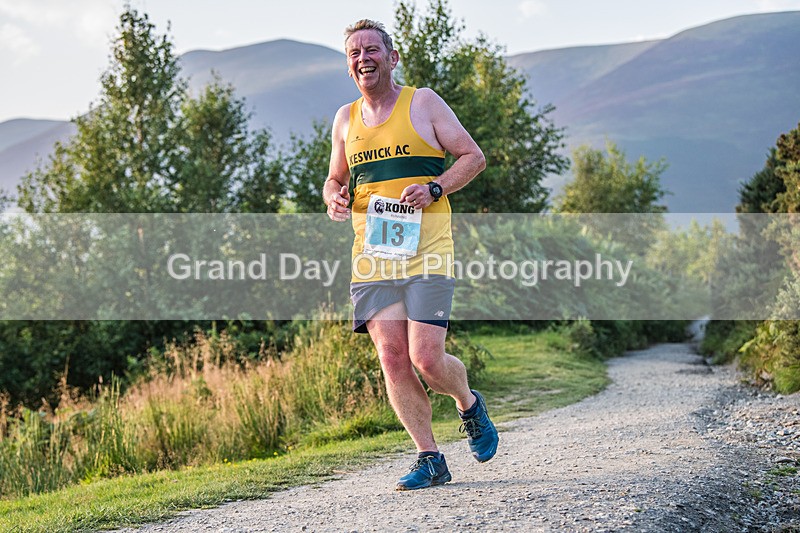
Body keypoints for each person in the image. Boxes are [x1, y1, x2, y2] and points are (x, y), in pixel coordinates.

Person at [323, 18, 498, 491]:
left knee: (426, 357)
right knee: (393, 358)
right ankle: (430, 457)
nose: (363, 58)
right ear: (349, 66)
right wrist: (332, 195)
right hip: (373, 256)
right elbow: (336, 178)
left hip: (428, 255)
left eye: (372, 49)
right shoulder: (345, 119)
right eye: (354, 53)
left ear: (392, 57)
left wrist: (436, 185)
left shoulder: (423, 103)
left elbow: (473, 157)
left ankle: (467, 402)